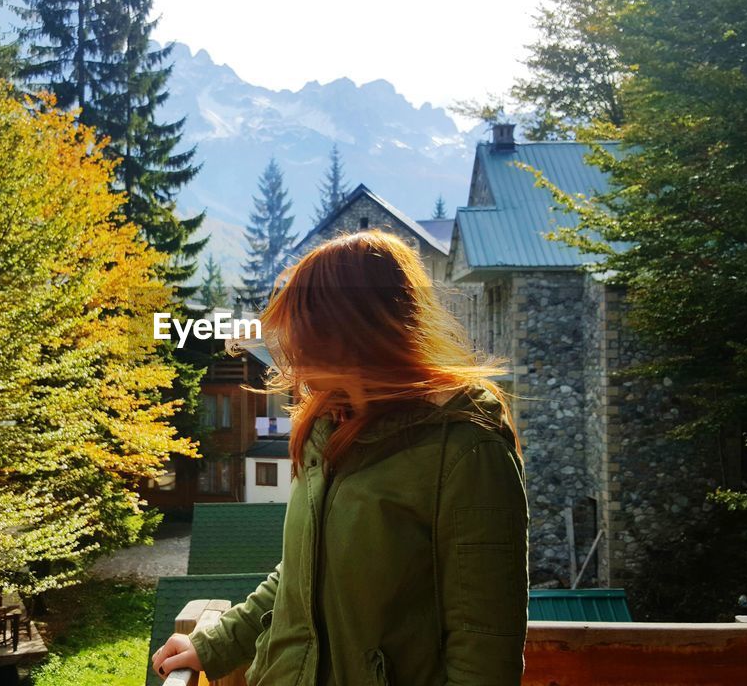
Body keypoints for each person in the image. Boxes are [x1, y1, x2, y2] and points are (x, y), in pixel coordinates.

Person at [152, 231, 529, 685]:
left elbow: (483, 648)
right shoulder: (327, 427)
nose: (289, 349)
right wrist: (214, 644)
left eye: (303, 329)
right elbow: (299, 578)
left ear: (353, 330)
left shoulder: (467, 448)